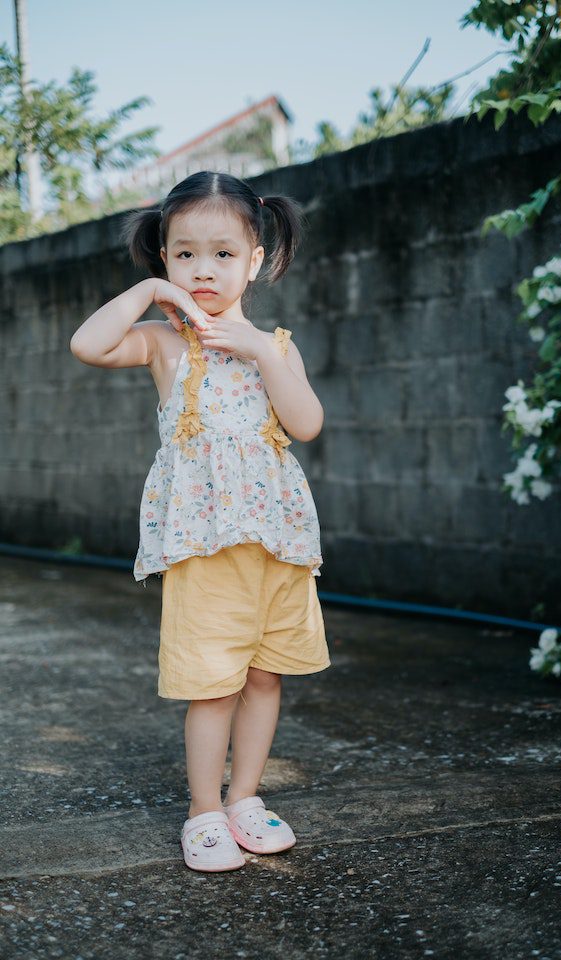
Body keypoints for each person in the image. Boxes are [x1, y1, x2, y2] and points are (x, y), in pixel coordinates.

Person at [69, 171, 331, 873]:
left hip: (278, 545)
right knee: (213, 686)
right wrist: (150, 292)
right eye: (184, 254)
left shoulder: (276, 346)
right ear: (165, 259)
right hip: (205, 547)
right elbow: (88, 344)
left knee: (266, 677)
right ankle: (204, 811)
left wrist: (259, 351)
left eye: (223, 253)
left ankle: (245, 798)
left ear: (255, 259)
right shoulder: (164, 342)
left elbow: (306, 423)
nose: (203, 269)